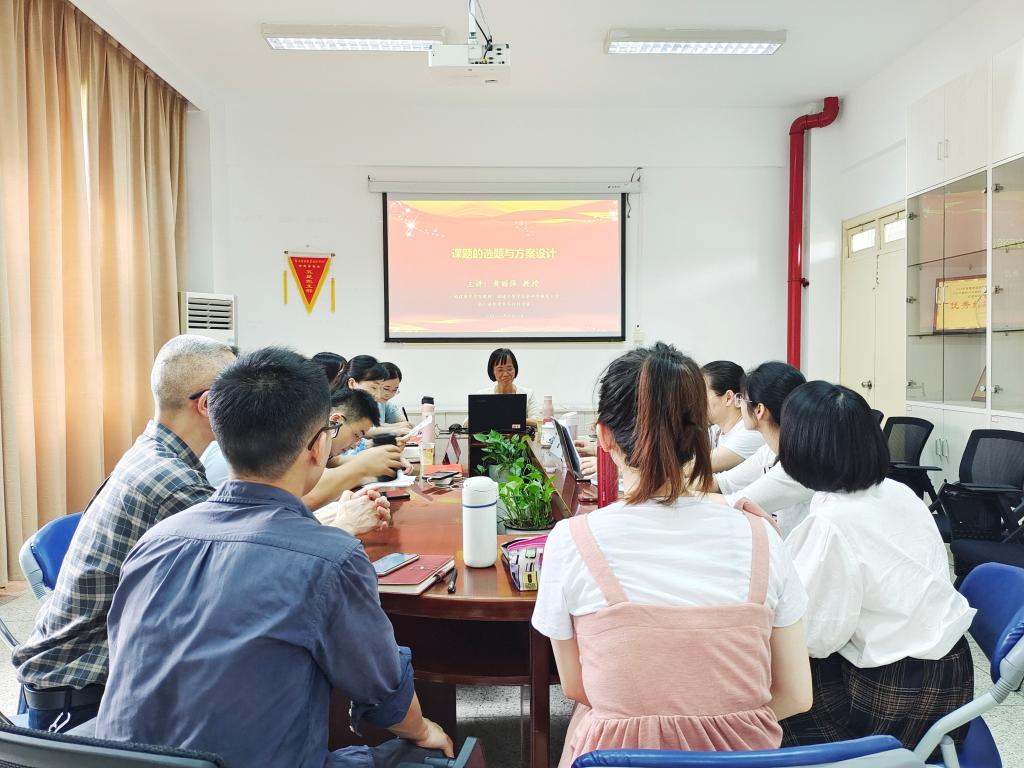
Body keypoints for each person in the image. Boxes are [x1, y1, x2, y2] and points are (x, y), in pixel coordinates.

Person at [95, 348, 453, 767]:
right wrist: (424, 730)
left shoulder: (155, 540)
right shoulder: (331, 558)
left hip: (120, 759)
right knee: (437, 755)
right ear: (318, 445)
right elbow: (384, 692)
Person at [532, 342, 811, 766]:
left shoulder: (571, 540)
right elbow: (796, 694)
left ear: (603, 437)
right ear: (699, 433)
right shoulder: (762, 536)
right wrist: (713, 734)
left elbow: (577, 687)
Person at [12, 335, 236, 731]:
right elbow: (247, 556)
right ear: (207, 404)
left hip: (71, 672)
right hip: (81, 696)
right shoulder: (172, 479)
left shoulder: (153, 450)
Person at [779, 382, 975, 750]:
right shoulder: (898, 491)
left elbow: (815, 638)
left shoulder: (833, 522)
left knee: (765, 700)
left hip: (896, 695)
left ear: (800, 447)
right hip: (952, 677)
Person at [710, 362, 813, 537]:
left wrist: (672, 490)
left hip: (793, 551)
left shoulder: (798, 463)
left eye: (742, 399)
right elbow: (722, 482)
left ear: (759, 410)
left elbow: (735, 503)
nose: (739, 405)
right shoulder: (769, 450)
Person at [702, 360, 765, 472]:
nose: (695, 402)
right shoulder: (717, 430)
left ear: (729, 398)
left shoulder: (750, 432)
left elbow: (695, 467)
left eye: (701, 394)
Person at [476, 347, 542, 425]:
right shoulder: (482, 395)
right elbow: (466, 424)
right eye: (500, 370)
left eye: (509, 369)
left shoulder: (528, 393)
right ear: (492, 371)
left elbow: (538, 421)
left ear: (515, 369)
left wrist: (510, 420)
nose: (505, 374)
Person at [377, 362, 414, 431]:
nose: (390, 394)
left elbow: (398, 416)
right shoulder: (361, 401)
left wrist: (407, 423)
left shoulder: (384, 403)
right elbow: (368, 429)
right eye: (386, 389)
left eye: (395, 390)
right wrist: (398, 427)